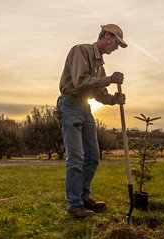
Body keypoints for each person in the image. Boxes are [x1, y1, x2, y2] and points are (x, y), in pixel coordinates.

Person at [57, 24, 127, 218]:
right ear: (106, 35)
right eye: (116, 43)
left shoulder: (100, 65)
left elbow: (99, 93)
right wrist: (110, 79)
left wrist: (113, 99)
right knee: (77, 157)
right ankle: (74, 204)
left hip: (85, 107)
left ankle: (84, 196)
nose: (116, 48)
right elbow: (80, 82)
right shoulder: (81, 50)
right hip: (70, 105)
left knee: (93, 156)